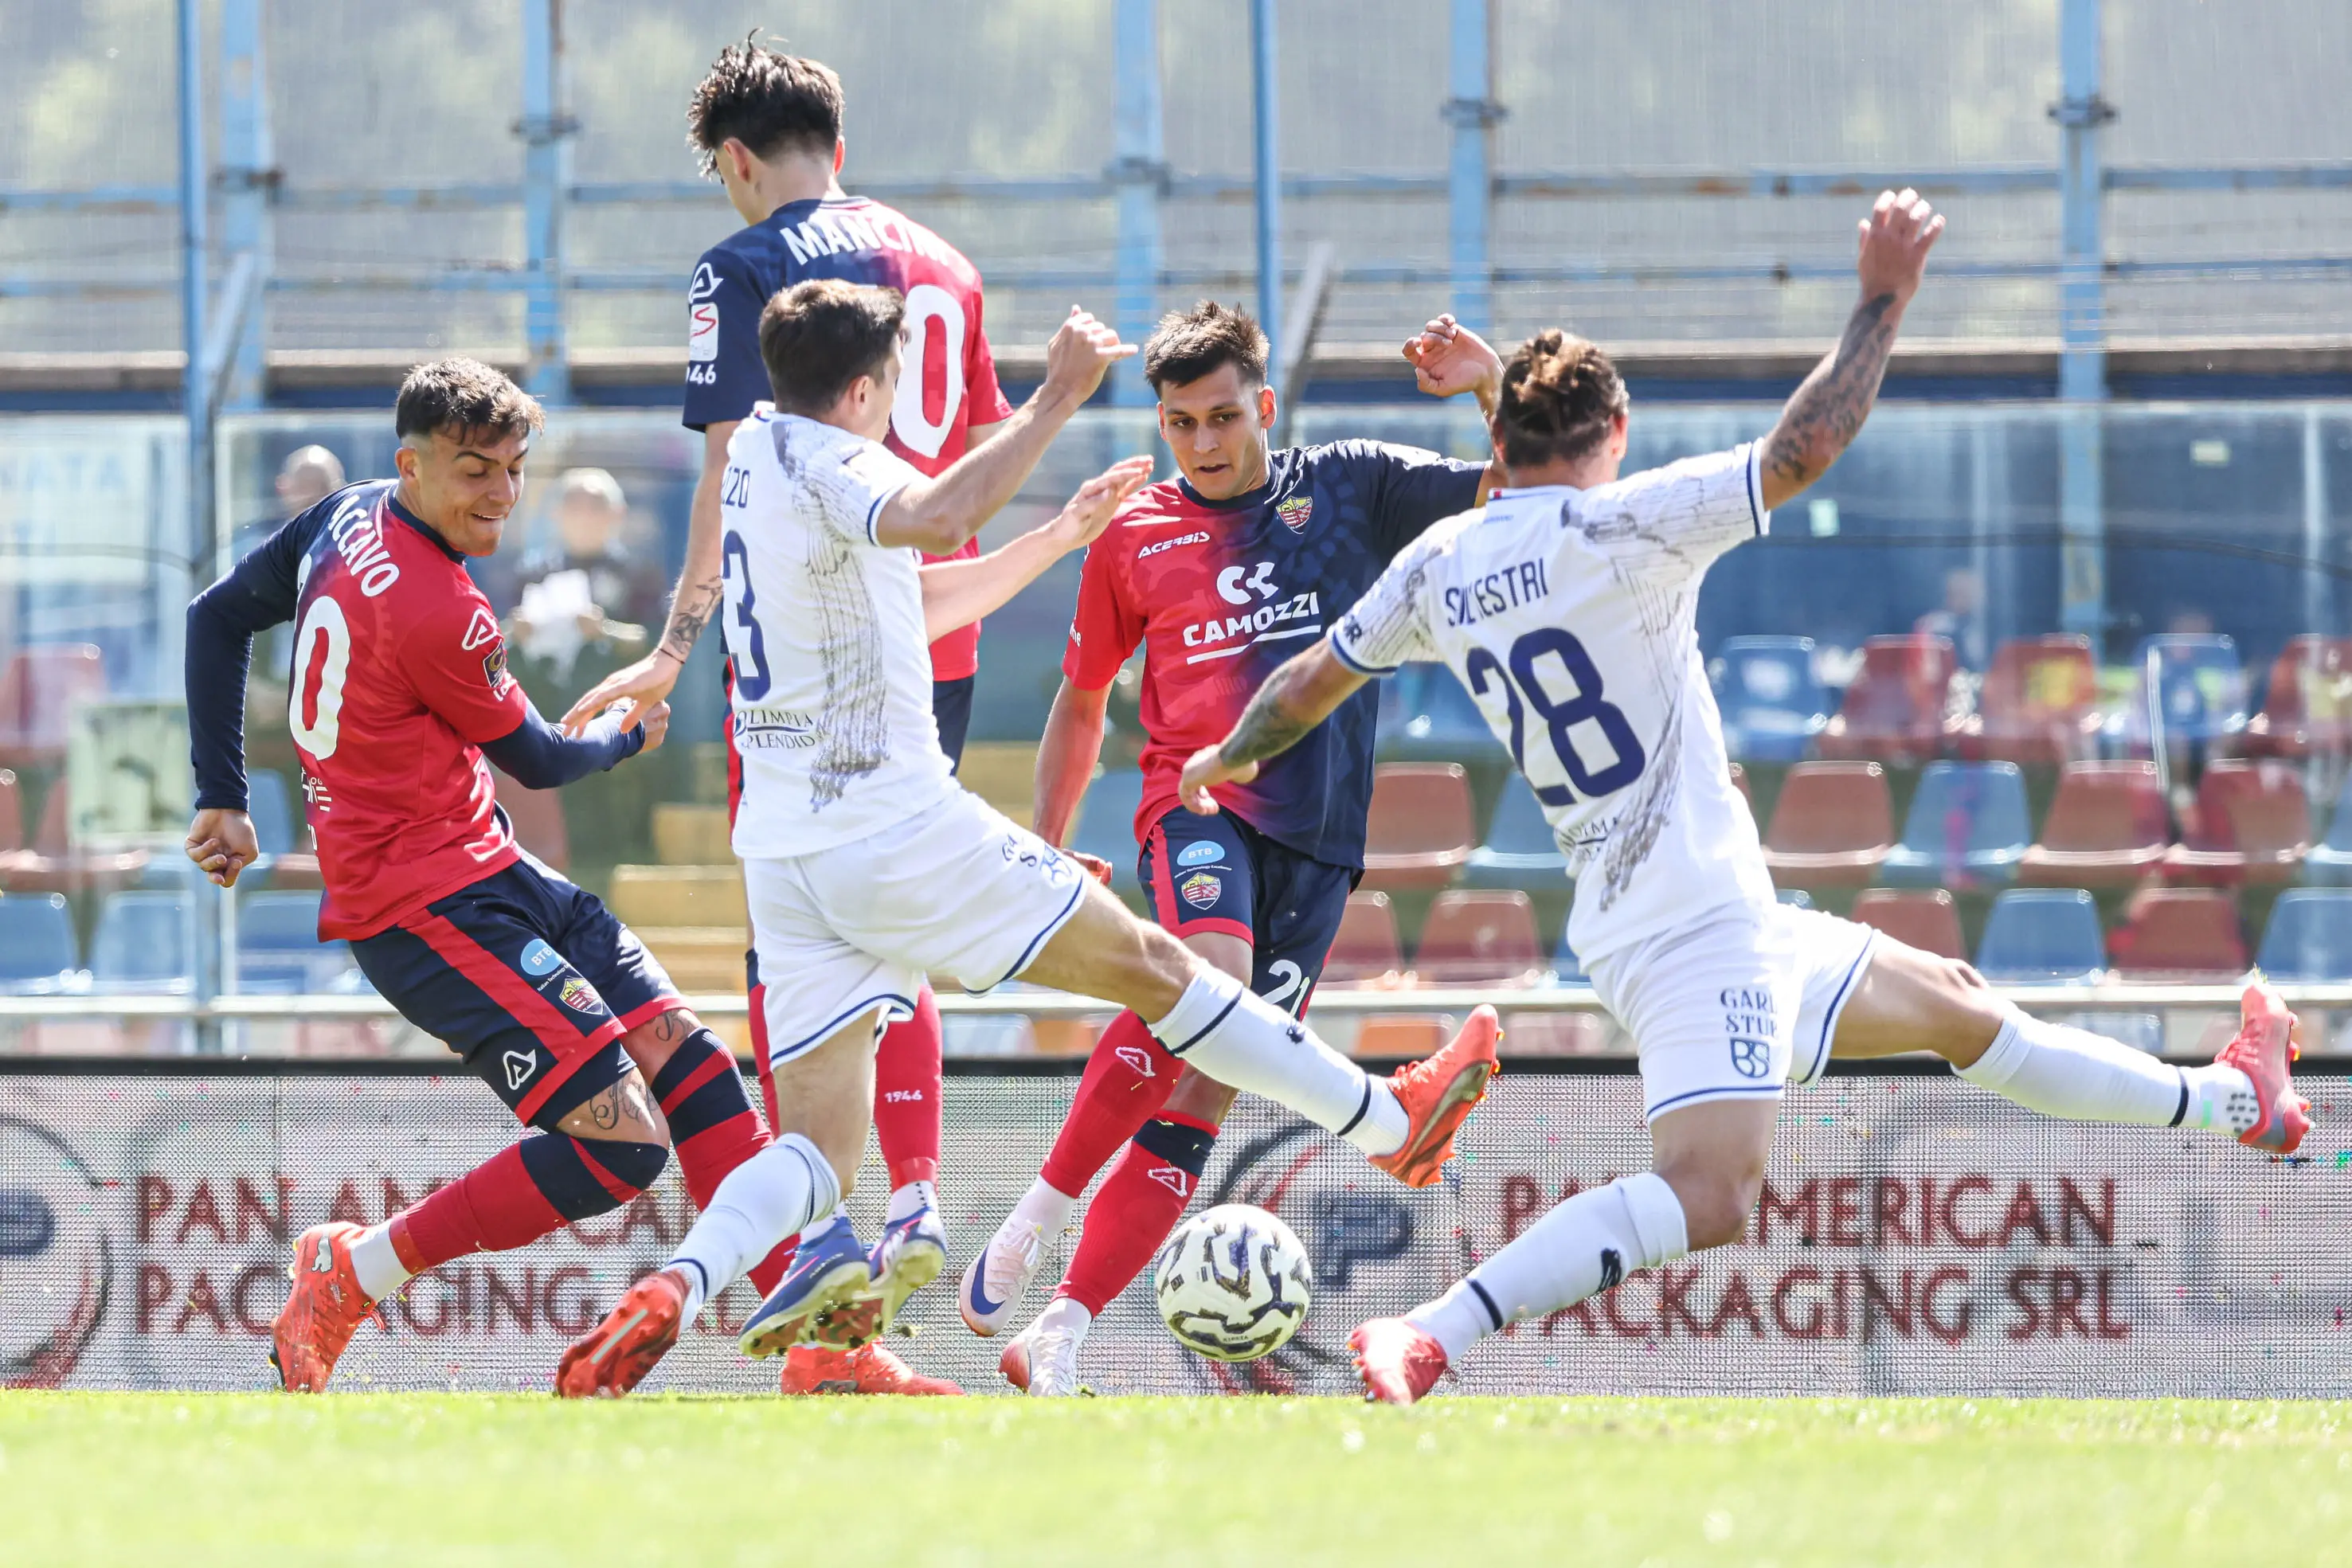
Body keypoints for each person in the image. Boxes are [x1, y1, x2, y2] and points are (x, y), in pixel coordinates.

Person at [1171, 191, 2310, 1406]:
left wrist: (1225, 755)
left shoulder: (1442, 564)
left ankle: (2238, 1098)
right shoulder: (1630, 527)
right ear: (1617, 427)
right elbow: (1800, 448)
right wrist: (1883, 300)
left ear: (1507, 434)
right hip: (1690, 922)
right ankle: (1429, 1333)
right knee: (1711, 1195)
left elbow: (1308, 679)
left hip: (1699, 909)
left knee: (1960, 1008)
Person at [552, 281, 1501, 1398]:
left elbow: (918, 591)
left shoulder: (753, 452)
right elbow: (940, 516)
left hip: (786, 853)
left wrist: (1056, 534)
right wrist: (1054, 396)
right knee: (1166, 971)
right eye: (895, 385)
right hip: (894, 825)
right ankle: (1388, 1119)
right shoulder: (839, 462)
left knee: (813, 1152)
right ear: (865, 390)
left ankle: (673, 1286)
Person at [560, 39, 1013, 1396]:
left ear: (740, 162)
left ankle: (815, 1245)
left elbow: (730, 477)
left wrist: (672, 647)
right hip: (940, 615)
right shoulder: (952, 265)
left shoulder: (743, 262)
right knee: (902, 915)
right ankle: (918, 1201)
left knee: (799, 922)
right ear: (839, 135)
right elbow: (976, 474)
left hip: (809, 641)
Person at [183, 360, 769, 1393]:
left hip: (491, 865)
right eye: (472, 471)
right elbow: (542, 759)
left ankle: (822, 1351)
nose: (500, 493)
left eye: (512, 468)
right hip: (423, 908)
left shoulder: (344, 517)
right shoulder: (438, 605)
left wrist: (220, 795)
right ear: (410, 466)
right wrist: (623, 740)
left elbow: (216, 617)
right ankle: (352, 1272)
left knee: (697, 1068)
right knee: (623, 1148)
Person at [961, 299, 1505, 1397]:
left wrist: (1495, 386)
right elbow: (1081, 707)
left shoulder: (1351, 483)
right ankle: (1040, 1209)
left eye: (1221, 417)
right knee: (1215, 980)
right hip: (1196, 804)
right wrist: (1044, 856)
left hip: (1324, 836)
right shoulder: (1133, 532)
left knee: (1210, 1084)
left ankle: (1057, 1332)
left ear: (1264, 404)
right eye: (1179, 423)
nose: (1203, 443)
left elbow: (1521, 489)